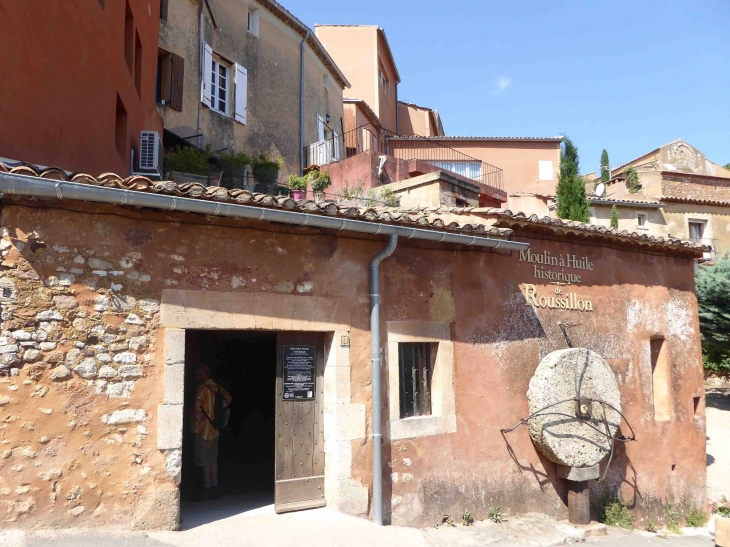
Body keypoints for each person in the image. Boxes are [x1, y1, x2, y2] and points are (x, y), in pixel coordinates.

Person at [193, 364, 232, 500]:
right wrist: (220, 413)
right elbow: (229, 399)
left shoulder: (201, 389)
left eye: (199, 374)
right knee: (213, 461)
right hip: (215, 429)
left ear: (205, 374)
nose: (197, 377)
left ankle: (207, 488)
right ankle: (215, 487)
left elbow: (197, 410)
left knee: (205, 463)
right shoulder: (217, 387)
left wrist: (197, 421)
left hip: (204, 431)